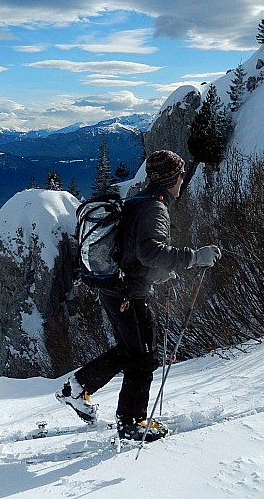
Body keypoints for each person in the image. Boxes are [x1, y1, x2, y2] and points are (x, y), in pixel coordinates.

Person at [56, 149, 221, 442]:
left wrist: (157, 274)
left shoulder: (136, 202)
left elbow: (131, 252)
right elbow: (150, 252)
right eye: (181, 174)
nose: (183, 180)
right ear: (173, 178)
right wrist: (195, 257)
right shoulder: (155, 208)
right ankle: (131, 423)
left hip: (114, 289)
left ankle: (77, 387)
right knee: (144, 358)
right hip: (130, 295)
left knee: (131, 350)